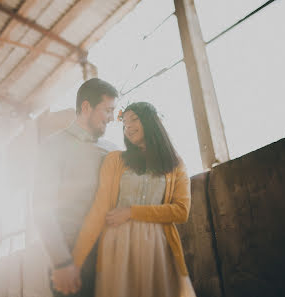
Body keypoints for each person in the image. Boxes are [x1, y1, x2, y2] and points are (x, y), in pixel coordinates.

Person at [72, 102, 197, 297]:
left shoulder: (175, 163)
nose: (127, 127)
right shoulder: (115, 160)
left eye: (133, 120)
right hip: (118, 245)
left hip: (159, 248)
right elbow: (99, 210)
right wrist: (76, 261)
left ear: (150, 121)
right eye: (124, 124)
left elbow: (181, 211)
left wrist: (131, 212)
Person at [33, 78, 118, 297]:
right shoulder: (53, 146)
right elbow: (42, 209)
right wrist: (61, 262)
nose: (111, 118)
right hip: (74, 264)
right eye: (107, 110)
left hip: (113, 259)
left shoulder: (112, 150)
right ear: (86, 107)